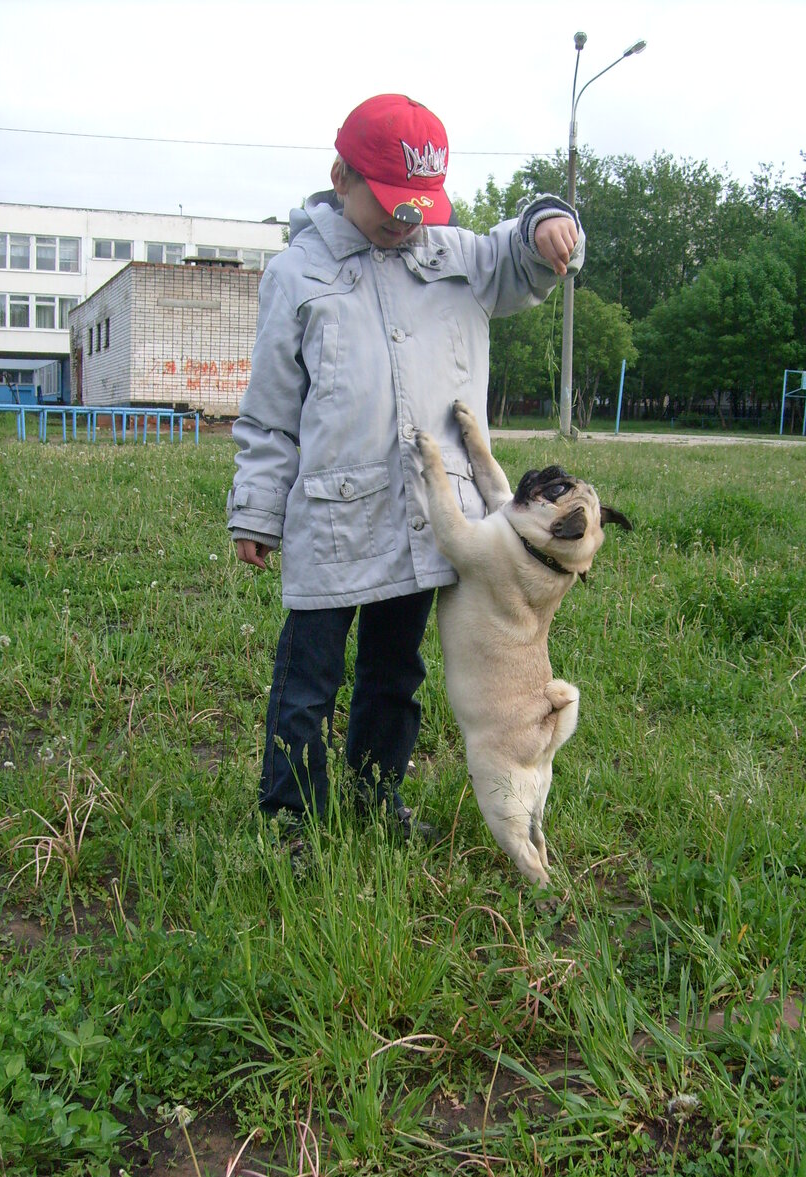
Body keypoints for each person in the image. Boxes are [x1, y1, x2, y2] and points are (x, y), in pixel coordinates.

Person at [227, 93, 584, 840]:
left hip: (430, 519)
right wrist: (257, 508)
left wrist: (550, 221)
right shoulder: (298, 273)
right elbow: (270, 410)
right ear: (341, 175)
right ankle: (291, 817)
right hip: (331, 515)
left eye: (420, 204)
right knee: (308, 681)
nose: (405, 221)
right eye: (389, 203)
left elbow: (523, 255)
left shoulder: (458, 258)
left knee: (397, 677)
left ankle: (373, 799)